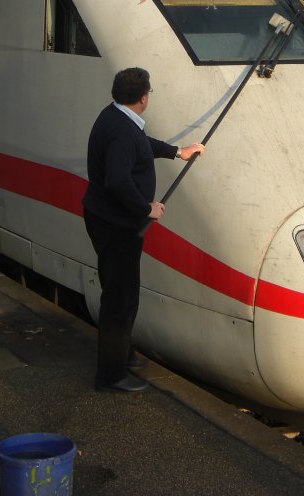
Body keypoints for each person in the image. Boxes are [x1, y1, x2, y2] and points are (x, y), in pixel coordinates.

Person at [82, 67, 205, 392]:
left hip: (109, 221)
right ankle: (110, 374)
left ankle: (122, 354)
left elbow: (141, 144)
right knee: (121, 298)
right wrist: (145, 208)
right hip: (117, 225)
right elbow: (118, 180)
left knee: (120, 290)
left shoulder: (116, 118)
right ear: (144, 97)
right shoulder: (122, 131)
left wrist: (177, 152)